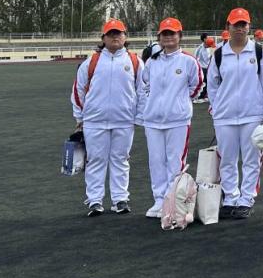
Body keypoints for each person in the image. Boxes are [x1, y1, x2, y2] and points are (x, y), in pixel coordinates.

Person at [70, 19, 142, 216]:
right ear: (103, 38)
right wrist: (80, 116)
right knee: (95, 160)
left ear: (125, 36)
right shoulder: (91, 62)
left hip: (124, 120)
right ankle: (95, 200)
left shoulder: (135, 61)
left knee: (121, 159)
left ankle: (120, 199)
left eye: (118, 33)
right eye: (111, 34)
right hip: (95, 120)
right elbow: (78, 90)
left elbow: (143, 90)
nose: (115, 37)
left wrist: (138, 116)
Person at [206, 8, 263, 220]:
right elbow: (212, 85)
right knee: (227, 160)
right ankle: (230, 197)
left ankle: (246, 199)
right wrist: (217, 108)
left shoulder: (259, 53)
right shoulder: (218, 54)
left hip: (252, 115)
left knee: (251, 159)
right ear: (228, 27)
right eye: (236, 25)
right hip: (225, 117)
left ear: (249, 27)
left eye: (243, 24)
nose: (240, 28)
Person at [136, 17, 203, 218]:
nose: (168, 37)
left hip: (178, 120)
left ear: (179, 36)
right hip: (153, 120)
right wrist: (153, 104)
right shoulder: (152, 61)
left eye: (172, 33)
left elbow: (197, 85)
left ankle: (172, 201)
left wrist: (180, 102)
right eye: (164, 34)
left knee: (175, 162)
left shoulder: (188, 61)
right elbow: (145, 84)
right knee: (156, 161)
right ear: (159, 37)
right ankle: (159, 200)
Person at [192, 35, 214, 103]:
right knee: (203, 83)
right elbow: (195, 58)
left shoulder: (207, 49)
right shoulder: (199, 49)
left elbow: (207, 58)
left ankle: (204, 96)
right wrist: (197, 69)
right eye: (210, 45)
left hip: (207, 67)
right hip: (202, 68)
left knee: (207, 82)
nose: (210, 47)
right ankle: (198, 97)